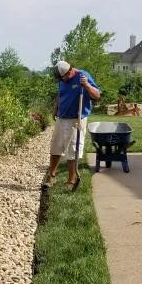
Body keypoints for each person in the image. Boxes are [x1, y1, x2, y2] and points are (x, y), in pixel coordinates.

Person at [45, 60, 101, 190]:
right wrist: (55, 109)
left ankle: (71, 180)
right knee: (55, 147)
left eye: (63, 78)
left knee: (72, 150)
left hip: (76, 119)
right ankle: (52, 176)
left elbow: (97, 95)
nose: (61, 80)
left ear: (70, 71)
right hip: (62, 117)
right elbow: (60, 94)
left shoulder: (83, 75)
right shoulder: (62, 79)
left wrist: (86, 85)